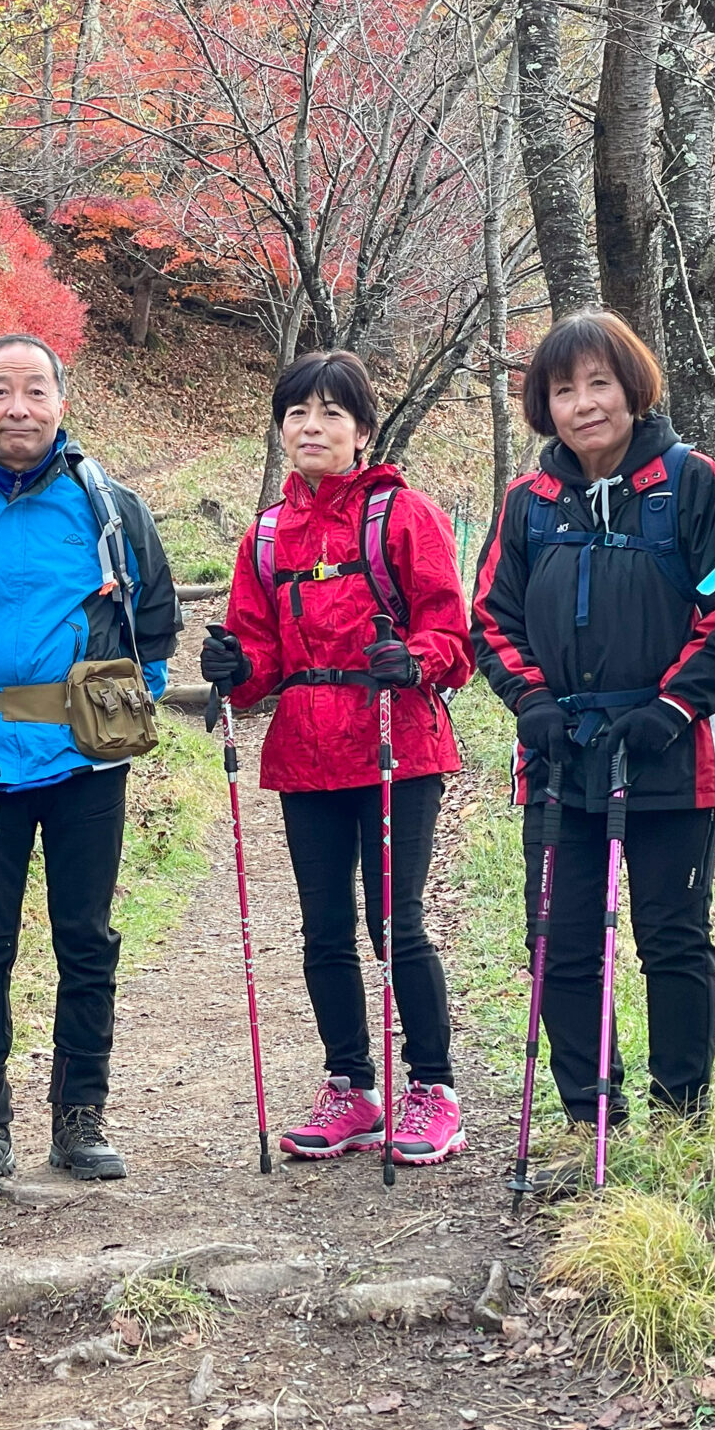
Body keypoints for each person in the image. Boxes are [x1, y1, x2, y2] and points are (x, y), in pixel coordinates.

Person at [0, 333, 179, 1203]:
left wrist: (121, 711)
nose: (19, 407)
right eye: (0, 391)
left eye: (35, 390)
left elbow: (155, 624)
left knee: (85, 938)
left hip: (86, 762)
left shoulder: (109, 505)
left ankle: (80, 1115)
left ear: (61, 401)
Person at [470, 309, 715, 1169]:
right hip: (560, 751)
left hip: (675, 751)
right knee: (560, 938)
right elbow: (491, 617)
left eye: (600, 383)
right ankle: (587, 1113)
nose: (584, 404)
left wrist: (671, 709)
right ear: (544, 406)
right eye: (564, 390)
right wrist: (531, 701)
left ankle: (680, 1118)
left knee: (672, 935)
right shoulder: (528, 504)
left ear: (633, 388)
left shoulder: (694, 483)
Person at [199, 350, 473, 1166]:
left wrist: (412, 658)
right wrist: (232, 666)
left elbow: (451, 633)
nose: (311, 427)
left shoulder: (404, 515)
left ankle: (433, 1088)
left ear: (363, 431)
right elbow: (259, 659)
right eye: (297, 413)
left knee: (397, 923)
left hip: (397, 743)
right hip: (306, 748)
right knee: (323, 929)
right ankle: (351, 1087)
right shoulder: (267, 535)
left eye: (330, 413)